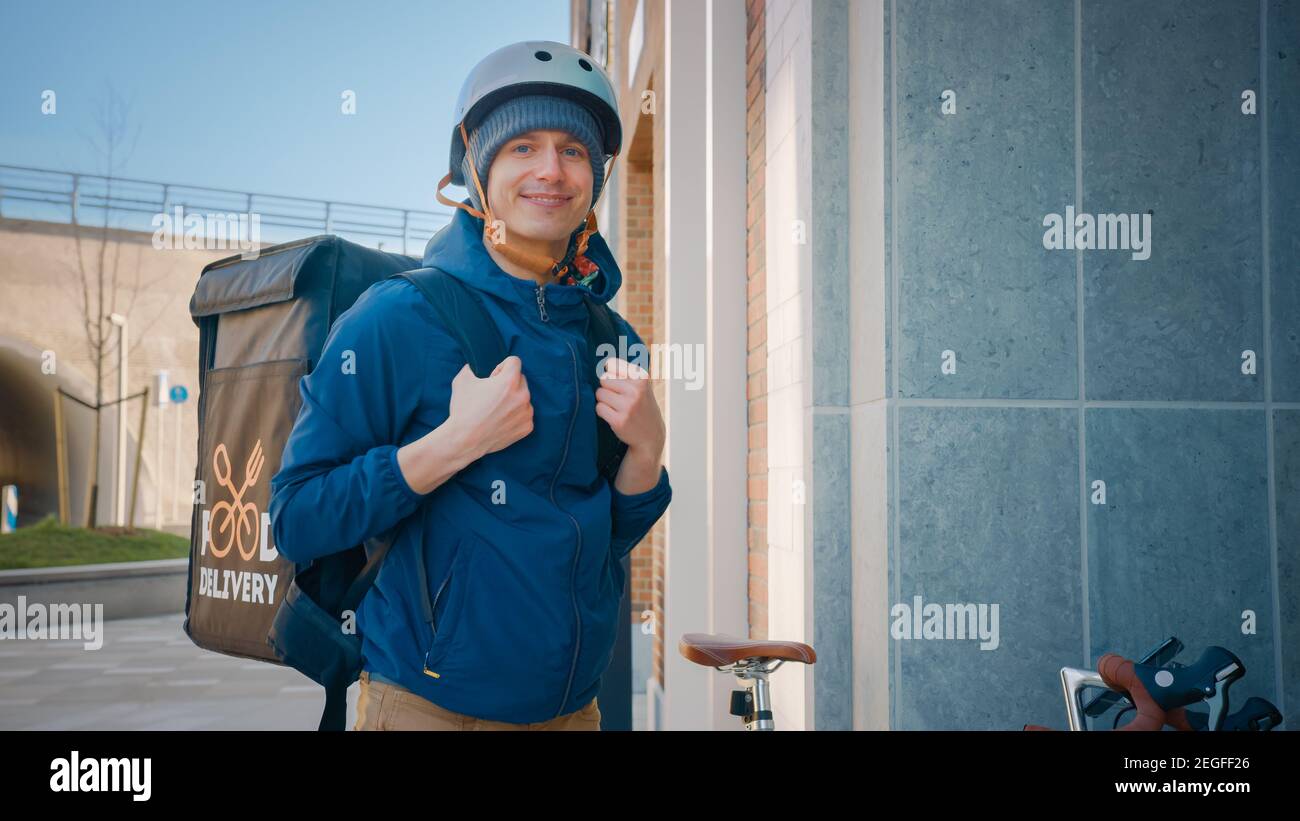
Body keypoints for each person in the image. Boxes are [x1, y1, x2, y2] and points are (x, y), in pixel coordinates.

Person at [268, 40, 672, 731]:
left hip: (573, 713)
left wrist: (647, 453)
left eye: (574, 150)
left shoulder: (609, 337)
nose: (551, 169)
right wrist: (454, 444)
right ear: (478, 172)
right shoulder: (401, 316)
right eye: (523, 147)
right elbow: (298, 515)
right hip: (432, 710)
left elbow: (602, 545)